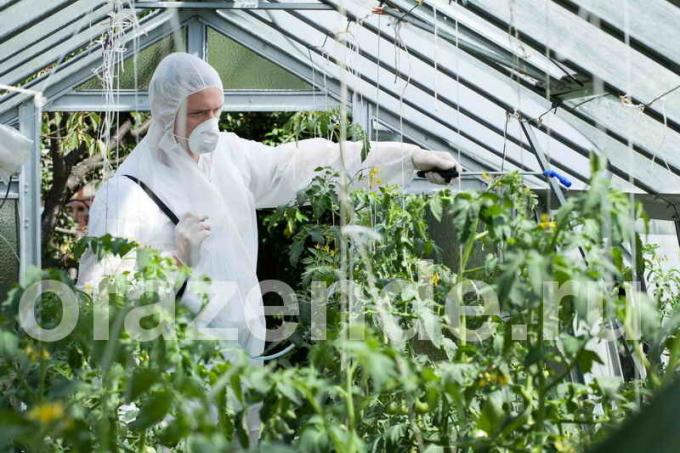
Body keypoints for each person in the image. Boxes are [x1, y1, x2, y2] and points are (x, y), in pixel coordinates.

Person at [77, 52, 458, 438]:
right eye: (197, 114)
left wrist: (408, 160)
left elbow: (306, 164)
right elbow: (100, 304)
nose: (210, 124)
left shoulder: (228, 157)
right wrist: (176, 262)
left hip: (242, 359)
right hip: (174, 378)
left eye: (216, 111)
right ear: (165, 113)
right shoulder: (126, 194)